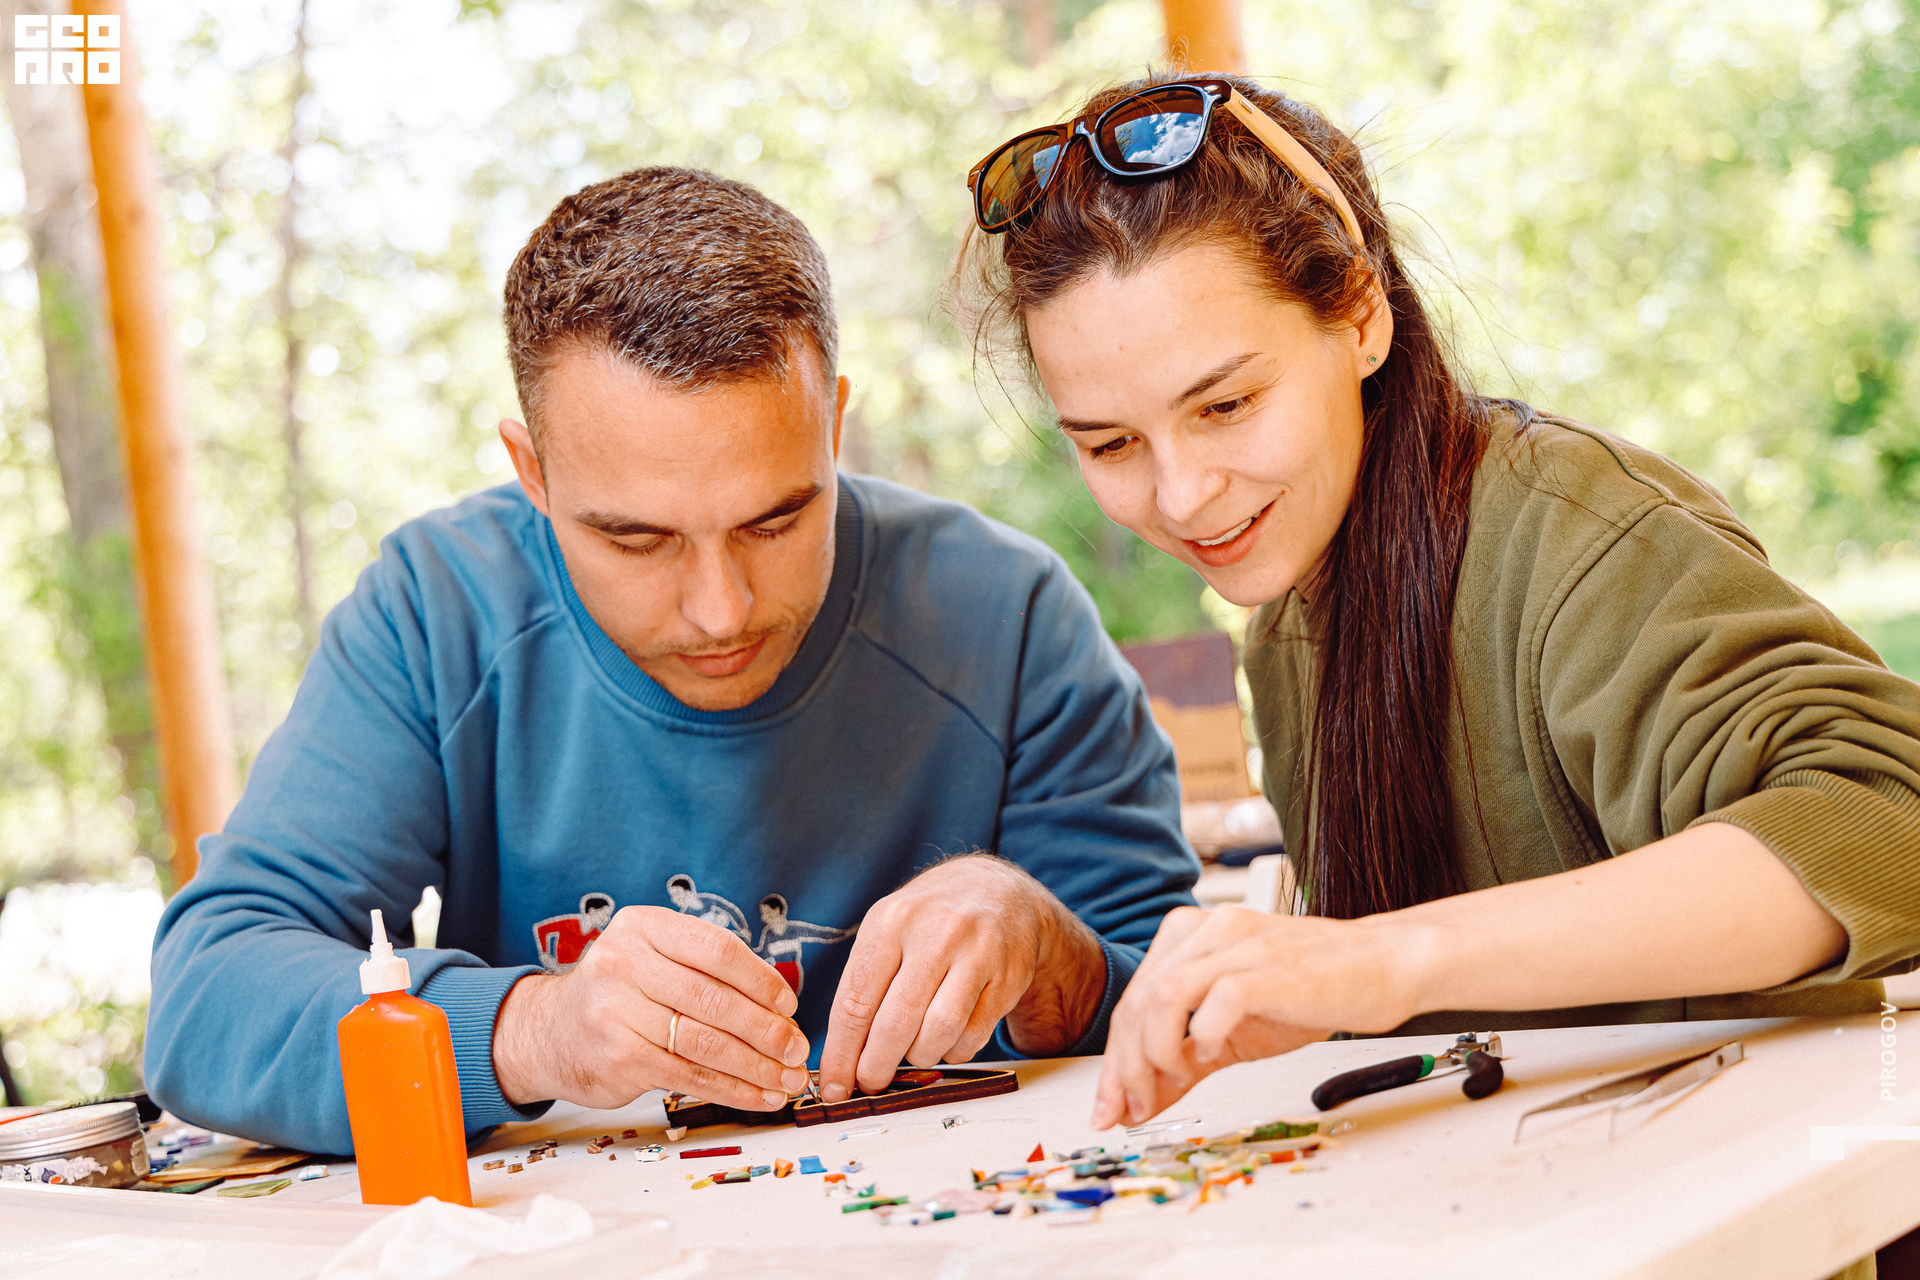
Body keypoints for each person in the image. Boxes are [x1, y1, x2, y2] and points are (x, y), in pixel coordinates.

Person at [146, 168, 1199, 1155]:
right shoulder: (440, 610)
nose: (720, 608)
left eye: (777, 519)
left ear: (833, 426)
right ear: (534, 474)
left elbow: (1180, 1003)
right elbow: (208, 995)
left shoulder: (1006, 614)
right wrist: (536, 1028)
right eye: (637, 539)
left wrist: (1047, 948)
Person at [956, 74, 1920, 1133]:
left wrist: (1379, 961)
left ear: (1362, 316)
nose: (1181, 493)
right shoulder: (1289, 614)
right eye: (1109, 443)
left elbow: (1888, 820)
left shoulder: (1572, 528)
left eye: (1227, 403)